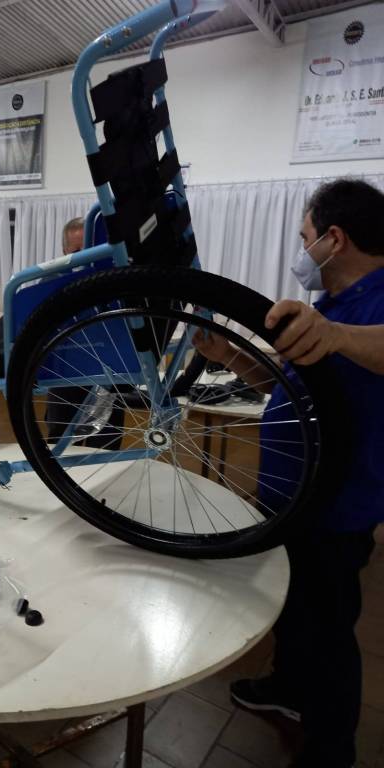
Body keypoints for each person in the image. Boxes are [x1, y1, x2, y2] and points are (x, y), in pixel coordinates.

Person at [193, 178, 384, 768]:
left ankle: (332, 751)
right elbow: (287, 388)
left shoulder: (371, 302)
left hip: (336, 505)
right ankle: (288, 688)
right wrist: (230, 356)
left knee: (327, 627)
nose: (302, 251)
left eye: (305, 238)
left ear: (334, 238)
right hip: (291, 495)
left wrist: (334, 335)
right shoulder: (332, 305)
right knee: (295, 608)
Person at [45, 216, 125, 450]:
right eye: (77, 252)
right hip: (65, 378)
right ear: (64, 251)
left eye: (90, 250)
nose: (85, 258)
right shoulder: (50, 283)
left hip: (108, 377)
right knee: (60, 445)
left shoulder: (114, 278)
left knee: (107, 446)